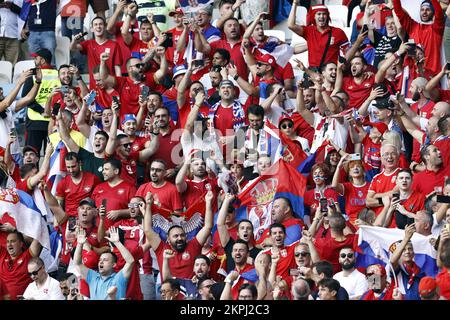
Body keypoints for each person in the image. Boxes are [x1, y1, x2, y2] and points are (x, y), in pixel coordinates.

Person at [74, 226, 135, 300]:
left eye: (105, 260)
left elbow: (130, 261)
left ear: (114, 264)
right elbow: (78, 264)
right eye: (100, 260)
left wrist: (117, 242)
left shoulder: (119, 278)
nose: (101, 262)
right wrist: (80, 244)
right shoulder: (93, 277)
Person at [288, 2, 348, 71]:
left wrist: (343, 66)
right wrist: (295, 4)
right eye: (319, 14)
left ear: (327, 16)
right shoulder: (309, 31)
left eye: (324, 14)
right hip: (314, 72)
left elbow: (347, 51)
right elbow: (291, 25)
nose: (321, 16)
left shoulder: (338, 32)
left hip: (331, 72)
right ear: (314, 16)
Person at [392, 0, 445, 75]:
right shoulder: (412, 27)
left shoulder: (437, 29)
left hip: (431, 75)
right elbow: (398, 11)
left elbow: (439, 13)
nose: (424, 12)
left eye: (428, 9)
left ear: (433, 12)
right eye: (422, 9)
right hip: (413, 74)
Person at [70, 16, 122, 88]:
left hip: (110, 87)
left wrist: (120, 85)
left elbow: (117, 68)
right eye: (96, 24)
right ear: (91, 29)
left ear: (105, 27)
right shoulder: (88, 44)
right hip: (94, 87)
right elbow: (73, 48)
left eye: (101, 24)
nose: (98, 26)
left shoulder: (114, 45)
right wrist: (74, 41)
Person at [91, 158, 137, 230]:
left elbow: (135, 210)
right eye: (103, 169)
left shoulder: (129, 188)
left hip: (120, 232)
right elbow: (92, 208)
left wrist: (119, 213)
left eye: (106, 169)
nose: (103, 172)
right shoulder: (98, 188)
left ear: (116, 171)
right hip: (98, 232)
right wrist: (95, 211)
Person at [55, 152, 101, 217]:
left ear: (79, 163)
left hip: (88, 218)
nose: (71, 170)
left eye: (73, 166)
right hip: (70, 219)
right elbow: (59, 206)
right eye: (68, 167)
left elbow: (100, 198)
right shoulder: (62, 183)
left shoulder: (93, 178)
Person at [0, 231, 42, 300]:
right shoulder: (2, 254)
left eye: (13, 241)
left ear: (21, 244)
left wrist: (15, 228)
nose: (9, 244)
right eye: (7, 242)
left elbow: (38, 236)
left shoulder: (28, 256)